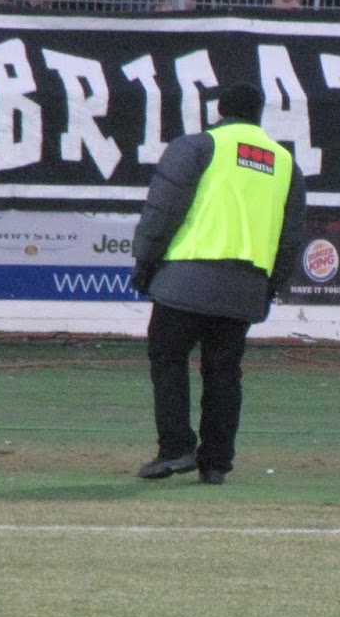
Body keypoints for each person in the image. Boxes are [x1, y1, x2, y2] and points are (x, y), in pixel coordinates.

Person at [130, 82, 308, 485]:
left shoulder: (197, 148)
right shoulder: (285, 164)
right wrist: (269, 287)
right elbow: (290, 237)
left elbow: (163, 209)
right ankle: (216, 462)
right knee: (224, 371)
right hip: (244, 288)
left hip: (185, 281)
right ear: (259, 114)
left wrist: (145, 261)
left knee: (168, 356)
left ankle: (176, 447)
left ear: (221, 109)